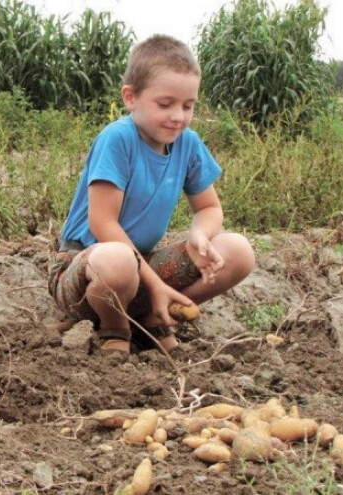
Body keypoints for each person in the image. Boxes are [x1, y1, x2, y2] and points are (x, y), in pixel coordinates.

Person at [47, 34, 255, 354]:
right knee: (117, 260)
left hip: (138, 270)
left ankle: (149, 319)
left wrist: (200, 235)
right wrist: (156, 284)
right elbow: (104, 226)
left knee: (237, 251)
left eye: (188, 106)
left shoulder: (188, 143)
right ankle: (113, 330)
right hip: (84, 272)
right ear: (131, 97)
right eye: (165, 104)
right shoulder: (117, 139)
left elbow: (209, 208)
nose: (178, 116)